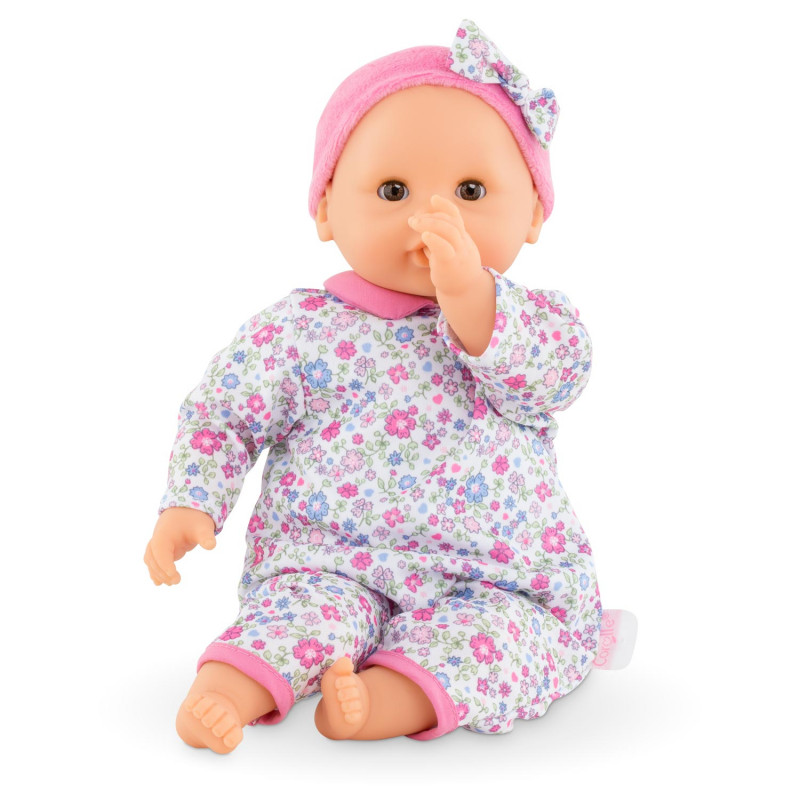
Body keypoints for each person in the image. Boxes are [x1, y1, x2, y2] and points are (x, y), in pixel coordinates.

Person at [144, 20, 601, 754]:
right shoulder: (300, 329)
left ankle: (385, 699)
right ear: (326, 209)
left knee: (508, 638)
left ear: (535, 214)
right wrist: (191, 501)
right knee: (297, 615)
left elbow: (555, 375)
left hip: (492, 575)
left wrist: (472, 298)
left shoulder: (534, 323)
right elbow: (225, 414)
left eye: (471, 190)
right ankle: (226, 690)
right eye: (393, 190)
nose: (432, 216)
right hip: (331, 560)